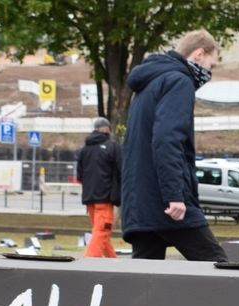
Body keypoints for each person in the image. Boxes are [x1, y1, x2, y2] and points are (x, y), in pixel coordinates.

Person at [119, 30, 226, 261]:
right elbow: (167, 140)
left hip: (141, 201)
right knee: (219, 269)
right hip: (167, 204)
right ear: (199, 54)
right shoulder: (179, 81)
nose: (209, 72)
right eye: (211, 64)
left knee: (144, 287)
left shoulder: (150, 83)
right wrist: (174, 195)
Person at [77, 117, 121, 257]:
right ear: (108, 129)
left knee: (100, 232)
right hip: (105, 198)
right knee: (102, 231)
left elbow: (80, 176)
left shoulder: (84, 150)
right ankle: (88, 264)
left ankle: (113, 263)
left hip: (89, 199)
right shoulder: (112, 147)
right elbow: (121, 171)